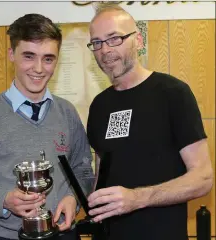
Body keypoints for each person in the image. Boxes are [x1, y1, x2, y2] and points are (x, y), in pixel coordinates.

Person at [0, 13, 95, 240]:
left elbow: (84, 169)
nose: (39, 68)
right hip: (6, 235)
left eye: (48, 58)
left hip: (64, 232)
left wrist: (73, 198)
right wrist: (4, 200)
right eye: (29, 56)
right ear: (11, 54)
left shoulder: (67, 112)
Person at [86, 4, 213, 240]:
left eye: (114, 38)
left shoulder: (173, 93)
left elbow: (203, 178)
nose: (104, 50)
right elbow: (102, 173)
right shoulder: (99, 105)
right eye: (97, 42)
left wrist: (137, 199)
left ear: (139, 41)